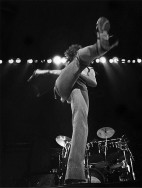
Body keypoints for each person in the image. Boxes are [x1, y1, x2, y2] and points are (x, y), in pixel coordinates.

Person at [28, 17, 118, 185]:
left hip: (80, 90)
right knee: (76, 64)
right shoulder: (69, 66)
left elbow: (94, 82)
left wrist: (81, 70)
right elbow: (60, 74)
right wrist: (42, 72)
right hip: (63, 87)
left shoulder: (88, 68)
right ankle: (98, 49)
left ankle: (75, 172)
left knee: (81, 125)